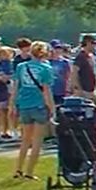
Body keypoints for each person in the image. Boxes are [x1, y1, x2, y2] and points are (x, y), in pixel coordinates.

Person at [10, 41, 57, 179]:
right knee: (37, 141)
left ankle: (18, 169)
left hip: (24, 104)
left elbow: (16, 87)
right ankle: (29, 172)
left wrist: (13, 104)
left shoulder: (21, 67)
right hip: (39, 105)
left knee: (25, 139)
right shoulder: (46, 68)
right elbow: (46, 91)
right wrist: (52, 108)